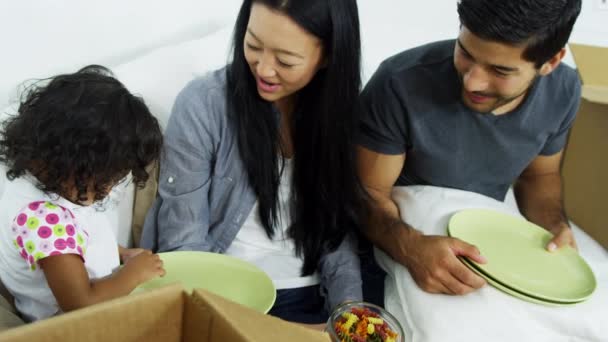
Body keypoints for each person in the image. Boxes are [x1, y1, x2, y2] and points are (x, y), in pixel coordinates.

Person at [141, 0, 367, 325]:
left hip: (304, 295)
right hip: (219, 290)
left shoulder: (341, 116)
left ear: (328, 57)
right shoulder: (203, 105)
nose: (262, 68)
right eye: (253, 45)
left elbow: (336, 234)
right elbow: (183, 243)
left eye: (285, 61)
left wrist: (348, 314)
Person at [357, 0, 582, 296]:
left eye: (500, 71)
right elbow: (365, 193)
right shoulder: (399, 82)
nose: (473, 82)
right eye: (465, 52)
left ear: (551, 62)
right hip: (394, 239)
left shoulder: (563, 91)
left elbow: (539, 177)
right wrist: (411, 248)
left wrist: (553, 227)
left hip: (485, 244)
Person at [0, 65, 166, 322]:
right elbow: (80, 302)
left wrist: (121, 253)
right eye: (107, 180)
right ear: (73, 161)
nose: (109, 190)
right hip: (72, 326)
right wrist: (132, 275)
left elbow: (79, 237)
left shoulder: (37, 180)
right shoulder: (46, 220)